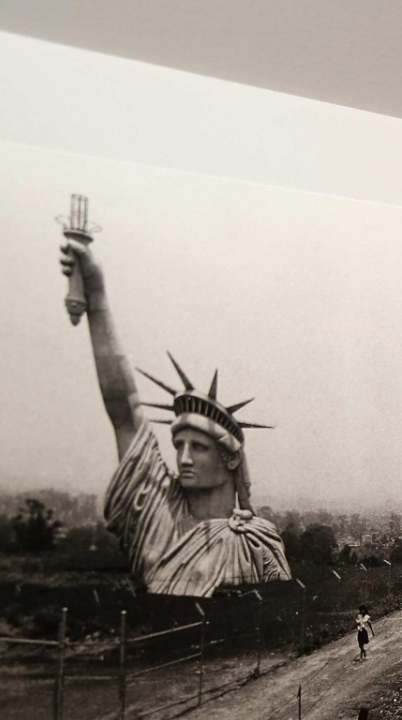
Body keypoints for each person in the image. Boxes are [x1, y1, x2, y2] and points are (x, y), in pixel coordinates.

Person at [60, 237, 290, 597]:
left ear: (230, 457)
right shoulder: (157, 517)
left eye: (198, 447)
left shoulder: (257, 543)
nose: (182, 458)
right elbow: (124, 410)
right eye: (178, 444)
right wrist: (97, 295)